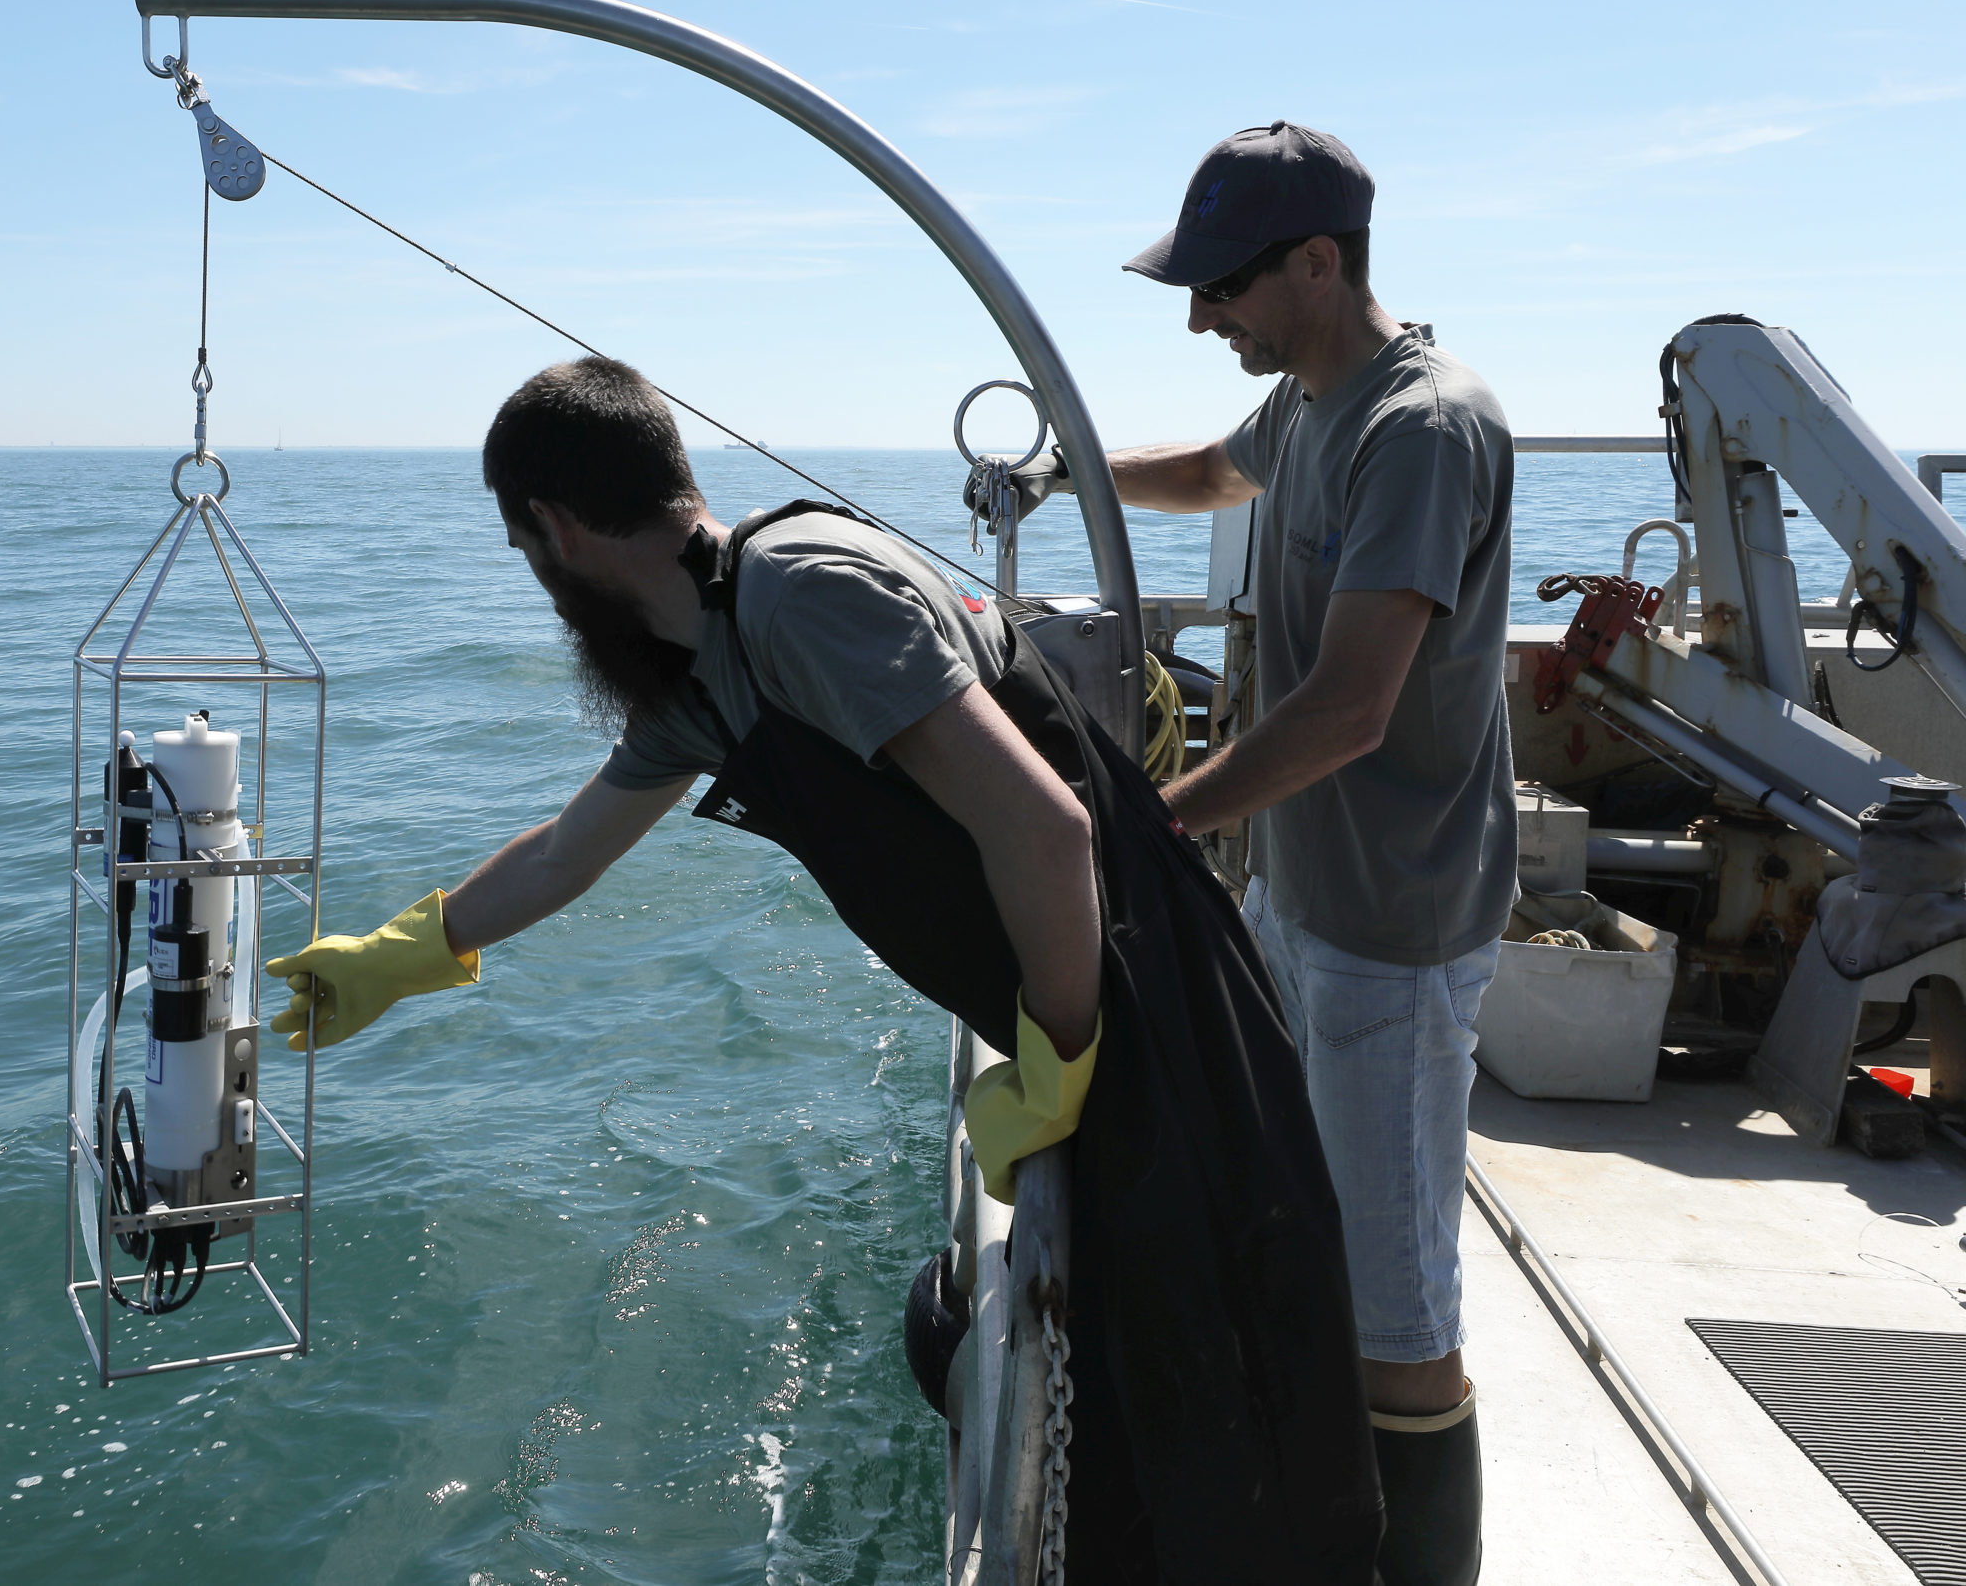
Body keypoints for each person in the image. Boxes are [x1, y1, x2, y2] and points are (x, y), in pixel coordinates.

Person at [264, 354, 1382, 1582]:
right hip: (1087, 1008)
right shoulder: (710, 661)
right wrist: (401, 955)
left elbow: (1045, 830)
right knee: (1144, 1401)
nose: (536, 578)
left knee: (1233, 1405)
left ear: (558, 529)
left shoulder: (801, 597)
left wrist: (1061, 1058)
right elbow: (567, 850)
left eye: (524, 551)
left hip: (1150, 1004)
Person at [1105, 120, 1517, 1586]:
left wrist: (1154, 822)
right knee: (1331, 1232)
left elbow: (1347, 709)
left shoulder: (1421, 426)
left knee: (1402, 1313)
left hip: (1391, 928)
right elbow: (1219, 470)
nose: (1205, 315)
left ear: (1320, 261)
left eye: (1222, 288)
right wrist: (1071, 473)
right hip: (1308, 892)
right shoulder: (1315, 401)